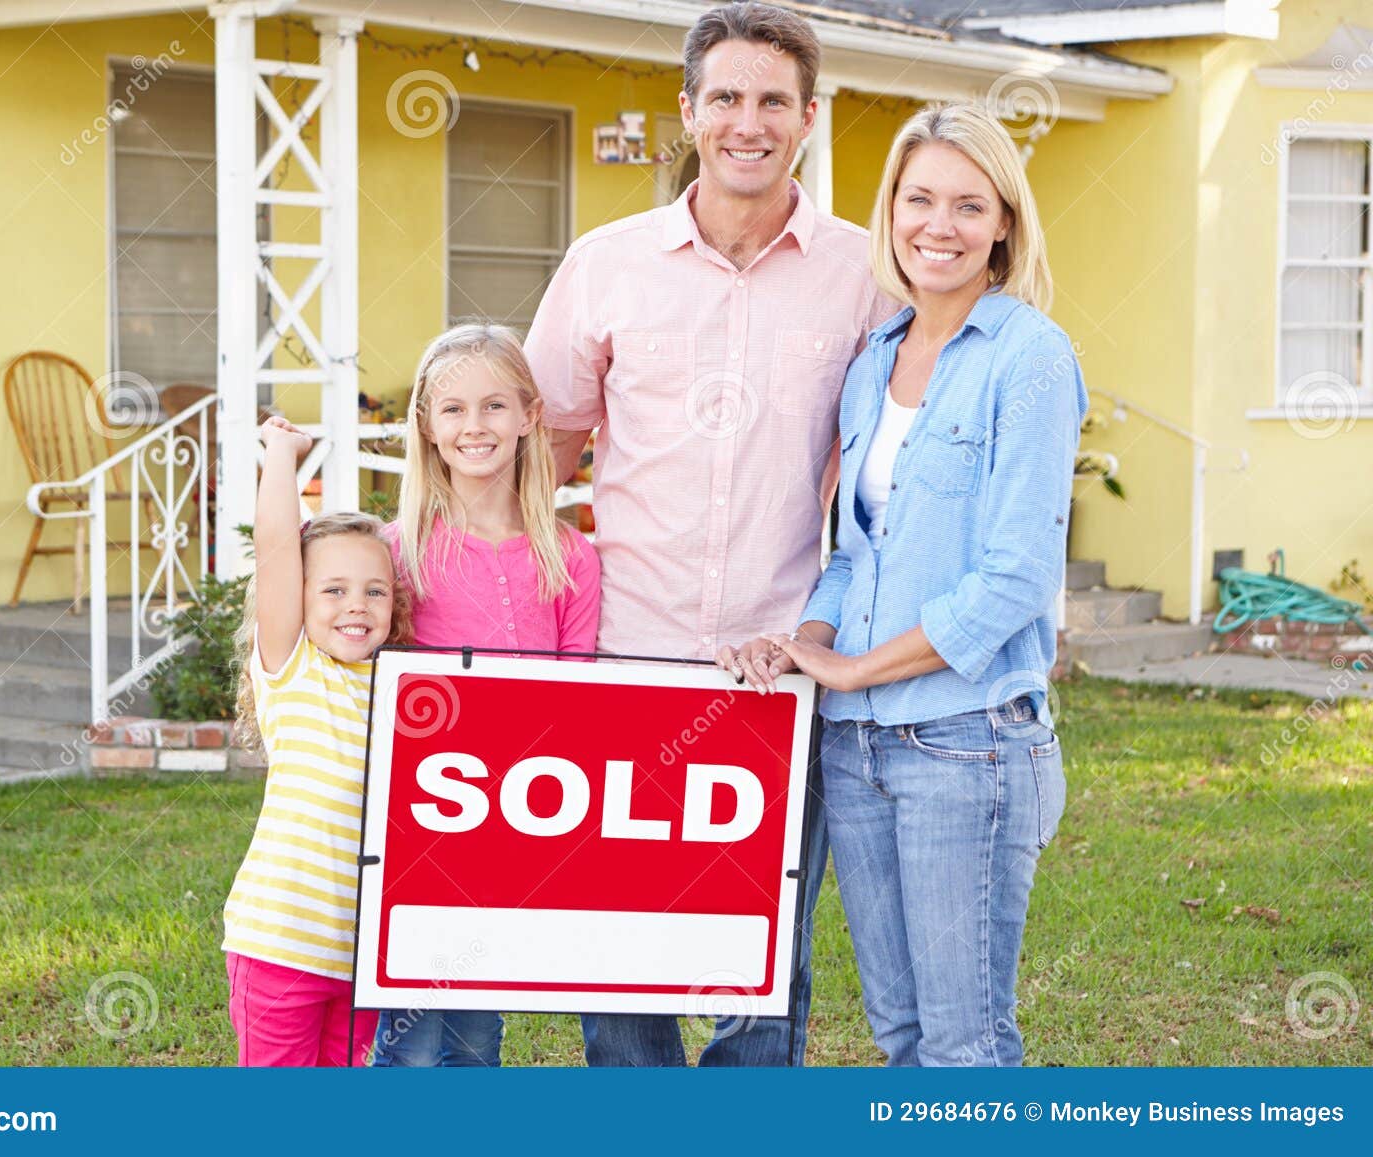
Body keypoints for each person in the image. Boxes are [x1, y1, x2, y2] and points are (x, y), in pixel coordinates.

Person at [525, 0, 894, 1066]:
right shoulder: (607, 262)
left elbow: (889, 459)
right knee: (618, 954)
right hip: (622, 653)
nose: (749, 120)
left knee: (764, 961)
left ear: (808, 117)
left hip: (778, 663)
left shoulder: (864, 275)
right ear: (688, 111)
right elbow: (541, 443)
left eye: (772, 99)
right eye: (725, 96)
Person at [721, 101, 1084, 1066]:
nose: (940, 225)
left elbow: (1014, 576)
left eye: (970, 205)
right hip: (857, 751)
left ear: (1005, 221)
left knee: (965, 1043)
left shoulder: (1030, 357)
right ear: (890, 212)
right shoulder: (874, 361)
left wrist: (858, 669)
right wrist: (806, 642)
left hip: (966, 743)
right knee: (903, 1035)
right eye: (919, 199)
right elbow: (853, 553)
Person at [372, 324, 601, 1067]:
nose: (476, 426)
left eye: (496, 406)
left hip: (511, 823)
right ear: (428, 429)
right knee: (407, 1039)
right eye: (454, 410)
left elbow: (580, 704)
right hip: (417, 825)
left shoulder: (569, 557)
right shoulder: (398, 550)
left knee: (476, 1036)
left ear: (531, 416)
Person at [221, 416, 412, 1067]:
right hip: (280, 946)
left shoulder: (400, 689)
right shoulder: (294, 667)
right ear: (297, 598)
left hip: (362, 961)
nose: (355, 605)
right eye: (333, 589)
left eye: (374, 591)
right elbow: (276, 544)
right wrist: (282, 452)